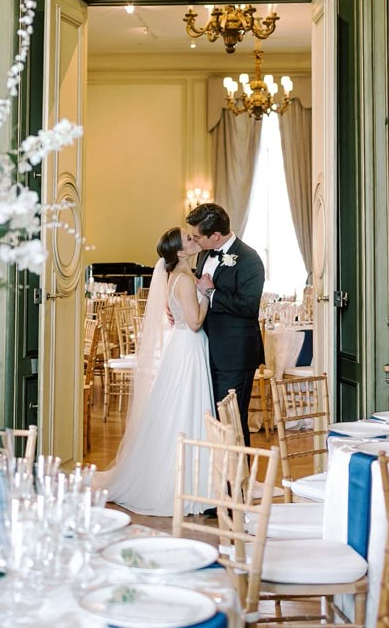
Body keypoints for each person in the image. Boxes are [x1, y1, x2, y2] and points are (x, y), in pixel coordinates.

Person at [98, 227, 215, 516]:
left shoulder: (177, 277)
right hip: (189, 345)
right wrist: (207, 294)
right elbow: (196, 322)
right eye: (189, 239)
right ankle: (187, 482)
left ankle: (193, 477)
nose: (194, 239)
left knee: (178, 408)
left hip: (182, 345)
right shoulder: (186, 280)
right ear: (179, 252)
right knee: (187, 406)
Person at [186, 202, 265, 446]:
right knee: (211, 421)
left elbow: (248, 306)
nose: (193, 240)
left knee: (233, 423)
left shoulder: (249, 259)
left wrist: (212, 293)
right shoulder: (202, 254)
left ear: (216, 235)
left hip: (234, 355)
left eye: (197, 236)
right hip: (205, 351)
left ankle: (239, 483)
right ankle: (217, 482)